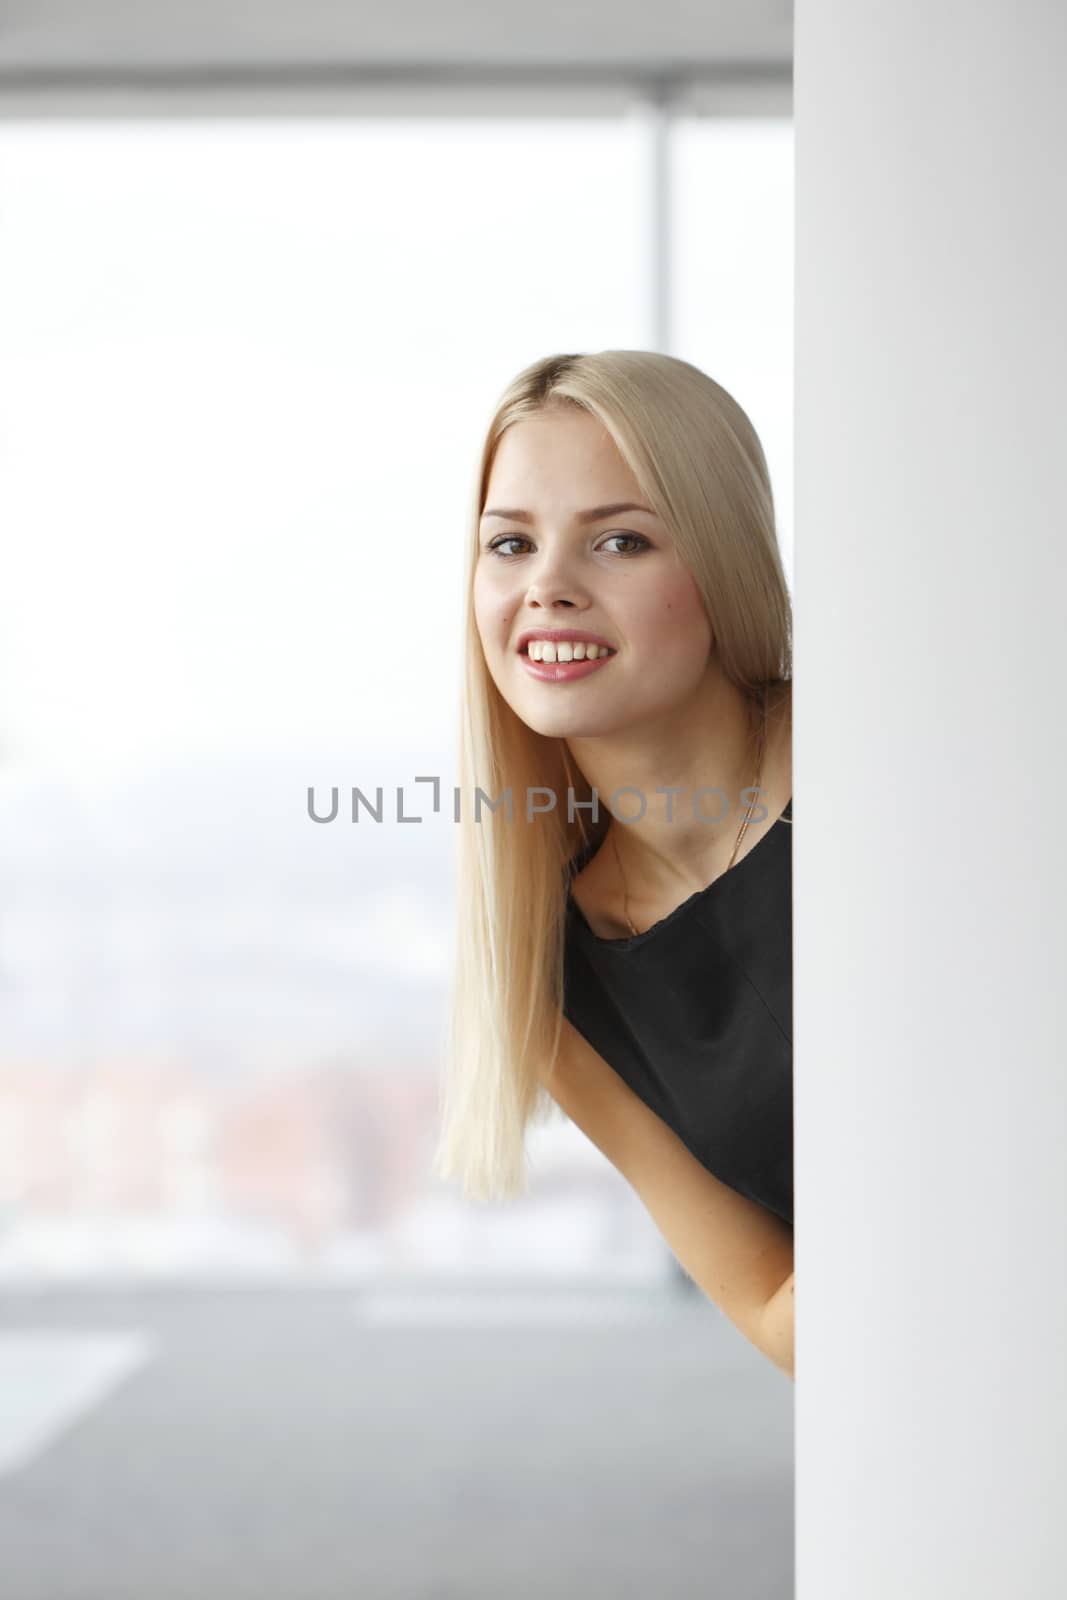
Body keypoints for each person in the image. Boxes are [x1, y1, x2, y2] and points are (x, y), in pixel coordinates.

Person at [432, 350, 795, 1378]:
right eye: (509, 544)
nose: (546, 588)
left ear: (722, 562)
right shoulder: (557, 981)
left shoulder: (882, 763)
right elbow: (766, 1299)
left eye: (619, 540)